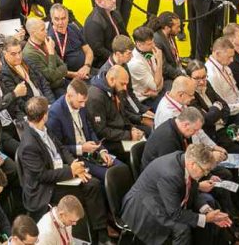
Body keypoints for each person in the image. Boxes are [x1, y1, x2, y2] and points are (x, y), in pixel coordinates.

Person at [17, 97, 111, 244]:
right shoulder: (29, 144)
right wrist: (71, 172)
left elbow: (61, 148)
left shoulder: (43, 129)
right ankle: (99, 235)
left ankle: (100, 231)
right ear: (44, 116)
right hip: (44, 189)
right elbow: (42, 176)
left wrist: (74, 164)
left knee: (92, 183)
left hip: (59, 172)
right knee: (91, 187)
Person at [123, 144, 231, 245]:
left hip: (163, 200)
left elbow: (191, 190)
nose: (206, 174)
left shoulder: (185, 160)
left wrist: (207, 211)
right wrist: (206, 218)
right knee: (182, 229)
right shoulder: (171, 174)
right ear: (193, 164)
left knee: (206, 206)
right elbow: (175, 213)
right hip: (143, 209)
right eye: (205, 171)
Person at [46, 79, 118, 180]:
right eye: (80, 102)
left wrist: (101, 151)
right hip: (76, 157)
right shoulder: (55, 114)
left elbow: (90, 129)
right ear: (69, 96)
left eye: (84, 102)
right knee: (111, 176)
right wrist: (81, 148)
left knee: (120, 168)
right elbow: (59, 148)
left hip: (91, 151)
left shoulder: (81, 104)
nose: (83, 105)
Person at [86, 65, 145, 161]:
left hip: (120, 132)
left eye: (126, 84)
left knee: (146, 135)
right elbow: (101, 131)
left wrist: (131, 128)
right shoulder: (95, 97)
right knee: (137, 153)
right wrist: (129, 135)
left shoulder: (116, 89)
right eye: (123, 84)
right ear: (112, 79)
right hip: (107, 141)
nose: (125, 88)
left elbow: (122, 114)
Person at [84, 0, 128, 68]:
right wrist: (116, 58)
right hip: (104, 62)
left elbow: (124, 33)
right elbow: (98, 50)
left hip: (120, 53)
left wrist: (130, 49)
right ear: (100, 2)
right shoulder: (93, 23)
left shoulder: (115, 12)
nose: (114, 0)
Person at [48, 3, 93, 80]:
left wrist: (87, 66)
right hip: (71, 78)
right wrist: (76, 75)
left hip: (87, 69)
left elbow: (88, 50)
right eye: (57, 19)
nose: (60, 23)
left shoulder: (73, 28)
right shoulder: (50, 39)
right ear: (51, 19)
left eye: (63, 18)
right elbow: (55, 69)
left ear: (68, 18)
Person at [23, 18, 68, 92]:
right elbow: (51, 77)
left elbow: (64, 66)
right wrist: (51, 52)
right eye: (42, 29)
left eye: (45, 28)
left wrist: (58, 72)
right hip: (53, 89)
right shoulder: (29, 54)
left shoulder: (46, 41)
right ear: (33, 33)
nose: (46, 31)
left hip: (62, 81)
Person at [127, 26, 166, 104]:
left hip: (155, 94)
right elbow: (155, 84)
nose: (153, 46)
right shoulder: (135, 63)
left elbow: (160, 79)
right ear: (139, 44)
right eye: (149, 44)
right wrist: (159, 61)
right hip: (144, 100)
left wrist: (157, 90)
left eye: (153, 42)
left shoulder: (147, 51)